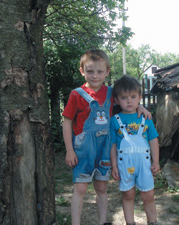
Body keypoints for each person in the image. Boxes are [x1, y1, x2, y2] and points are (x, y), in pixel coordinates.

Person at [62, 50, 152, 225]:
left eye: (99, 71)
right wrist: (69, 150)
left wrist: (140, 108)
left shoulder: (112, 94)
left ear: (107, 71)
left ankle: (103, 222)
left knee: (102, 187)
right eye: (90, 71)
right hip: (84, 149)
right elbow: (67, 122)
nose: (95, 76)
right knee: (80, 187)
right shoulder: (76, 94)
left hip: (105, 148)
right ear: (82, 71)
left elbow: (129, 103)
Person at [110, 75, 160, 225]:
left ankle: (152, 221)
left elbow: (153, 140)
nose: (129, 101)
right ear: (117, 100)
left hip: (144, 165)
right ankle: (130, 222)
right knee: (128, 194)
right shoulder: (114, 120)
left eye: (133, 97)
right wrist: (114, 166)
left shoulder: (145, 117)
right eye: (124, 98)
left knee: (148, 194)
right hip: (124, 165)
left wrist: (156, 161)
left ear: (139, 97)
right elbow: (112, 144)